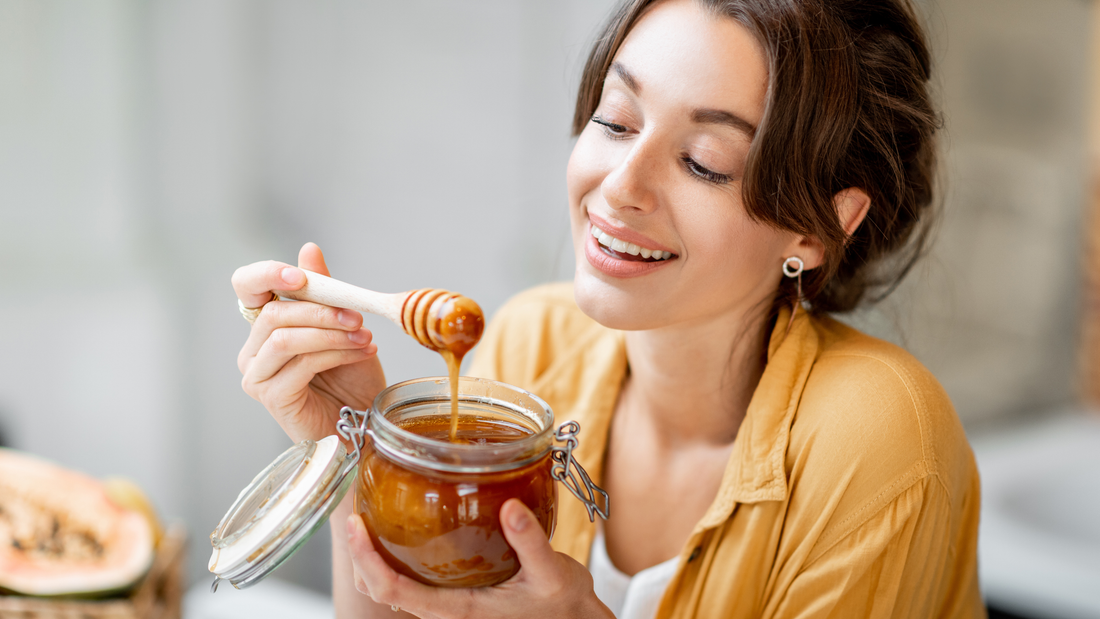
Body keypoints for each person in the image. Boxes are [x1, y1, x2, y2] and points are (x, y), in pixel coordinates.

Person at [231, 0, 985, 616]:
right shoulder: (530, 349)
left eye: (704, 163)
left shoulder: (879, 440)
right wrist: (359, 460)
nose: (621, 184)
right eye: (617, 120)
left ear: (819, 227)